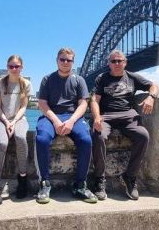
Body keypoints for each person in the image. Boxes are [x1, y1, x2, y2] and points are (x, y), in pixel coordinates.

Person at [90, 49, 159, 201]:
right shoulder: (102, 78)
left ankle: (129, 176)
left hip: (128, 115)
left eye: (119, 61)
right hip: (106, 115)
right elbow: (94, 100)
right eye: (113, 61)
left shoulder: (132, 77)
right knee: (99, 135)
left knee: (143, 135)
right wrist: (96, 117)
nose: (116, 64)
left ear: (125, 62)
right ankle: (99, 179)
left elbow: (154, 85)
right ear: (109, 63)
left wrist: (151, 97)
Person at [35, 47, 97, 204]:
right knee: (41, 139)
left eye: (68, 60)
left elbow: (83, 104)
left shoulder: (79, 80)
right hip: (51, 116)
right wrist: (56, 121)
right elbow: (42, 103)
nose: (65, 62)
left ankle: (80, 184)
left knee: (86, 140)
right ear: (57, 60)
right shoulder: (47, 79)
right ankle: (45, 183)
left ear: (72, 62)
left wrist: (71, 121)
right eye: (62, 59)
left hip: (72, 116)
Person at [0, 55, 32, 204]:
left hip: (19, 119)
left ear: (21, 67)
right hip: (1, 119)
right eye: (11, 66)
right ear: (7, 67)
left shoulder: (25, 83)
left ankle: (22, 178)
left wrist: (13, 122)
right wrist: (7, 122)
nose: (14, 69)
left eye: (17, 66)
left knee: (20, 138)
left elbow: (24, 107)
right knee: (2, 143)